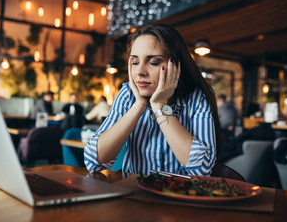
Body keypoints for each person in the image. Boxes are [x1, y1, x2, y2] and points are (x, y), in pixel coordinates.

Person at [84, 23, 221, 176]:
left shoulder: (196, 98)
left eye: (154, 62)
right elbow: (93, 161)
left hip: (179, 197)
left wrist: (160, 107)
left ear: (175, 66)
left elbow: (202, 169)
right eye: (135, 62)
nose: (140, 72)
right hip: (134, 196)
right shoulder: (127, 95)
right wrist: (139, 105)